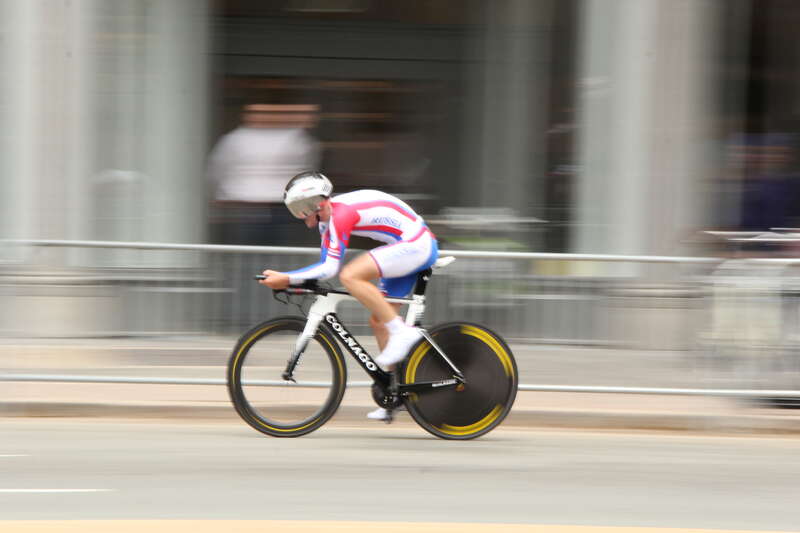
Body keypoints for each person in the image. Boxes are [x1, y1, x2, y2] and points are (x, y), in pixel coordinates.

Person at [258, 171, 439, 420]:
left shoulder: (340, 214)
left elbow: (331, 269)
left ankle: (404, 332)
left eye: (301, 208)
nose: (300, 215)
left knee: (351, 275)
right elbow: (324, 264)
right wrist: (290, 279)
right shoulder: (327, 221)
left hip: (417, 245)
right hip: (405, 247)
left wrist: (286, 277)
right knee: (378, 321)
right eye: (295, 210)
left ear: (317, 203)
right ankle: (394, 395)